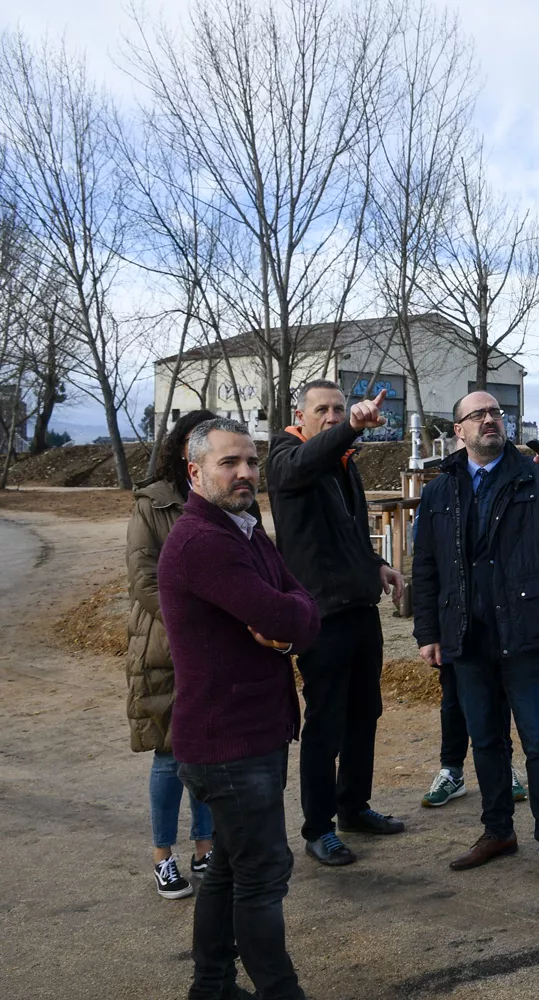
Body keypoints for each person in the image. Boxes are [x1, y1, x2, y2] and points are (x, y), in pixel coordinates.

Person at [159, 418, 322, 1000]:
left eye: (251, 461)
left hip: (250, 736)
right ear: (195, 470)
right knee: (261, 877)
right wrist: (290, 622)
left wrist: (290, 623)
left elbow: (300, 601)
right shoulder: (204, 541)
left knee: (229, 870)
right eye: (230, 463)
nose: (247, 473)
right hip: (229, 743)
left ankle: (212, 987)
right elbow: (287, 614)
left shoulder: (243, 530)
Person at [411, 393, 539, 888]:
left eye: (496, 413)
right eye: (478, 415)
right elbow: (426, 565)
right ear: (459, 432)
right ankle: (497, 832)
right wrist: (428, 631)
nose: (491, 420)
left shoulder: (534, 476)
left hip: (525, 633)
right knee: (486, 741)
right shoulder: (439, 491)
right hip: (467, 638)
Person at [267, 380, 406, 867]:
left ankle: (353, 807)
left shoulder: (344, 464)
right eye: (322, 409)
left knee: (364, 713)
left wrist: (375, 565)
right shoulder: (286, 457)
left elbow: (347, 531)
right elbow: (308, 463)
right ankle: (318, 827)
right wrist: (349, 428)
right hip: (319, 613)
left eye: (338, 409)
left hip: (359, 607)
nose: (331, 416)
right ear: (299, 415)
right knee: (326, 723)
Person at [126, 409, 228, 899]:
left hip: (216, 647)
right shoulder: (152, 503)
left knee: (208, 753)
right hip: (167, 647)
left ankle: (206, 847)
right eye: (194, 440)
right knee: (169, 757)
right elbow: (144, 579)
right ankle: (162, 856)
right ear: (181, 450)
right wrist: (191, 620)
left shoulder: (228, 499)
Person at [420, 664, 528, 808]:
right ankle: (452, 773)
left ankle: (503, 770)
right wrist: (427, 640)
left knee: (496, 692)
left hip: (494, 645)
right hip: (452, 645)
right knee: (452, 695)